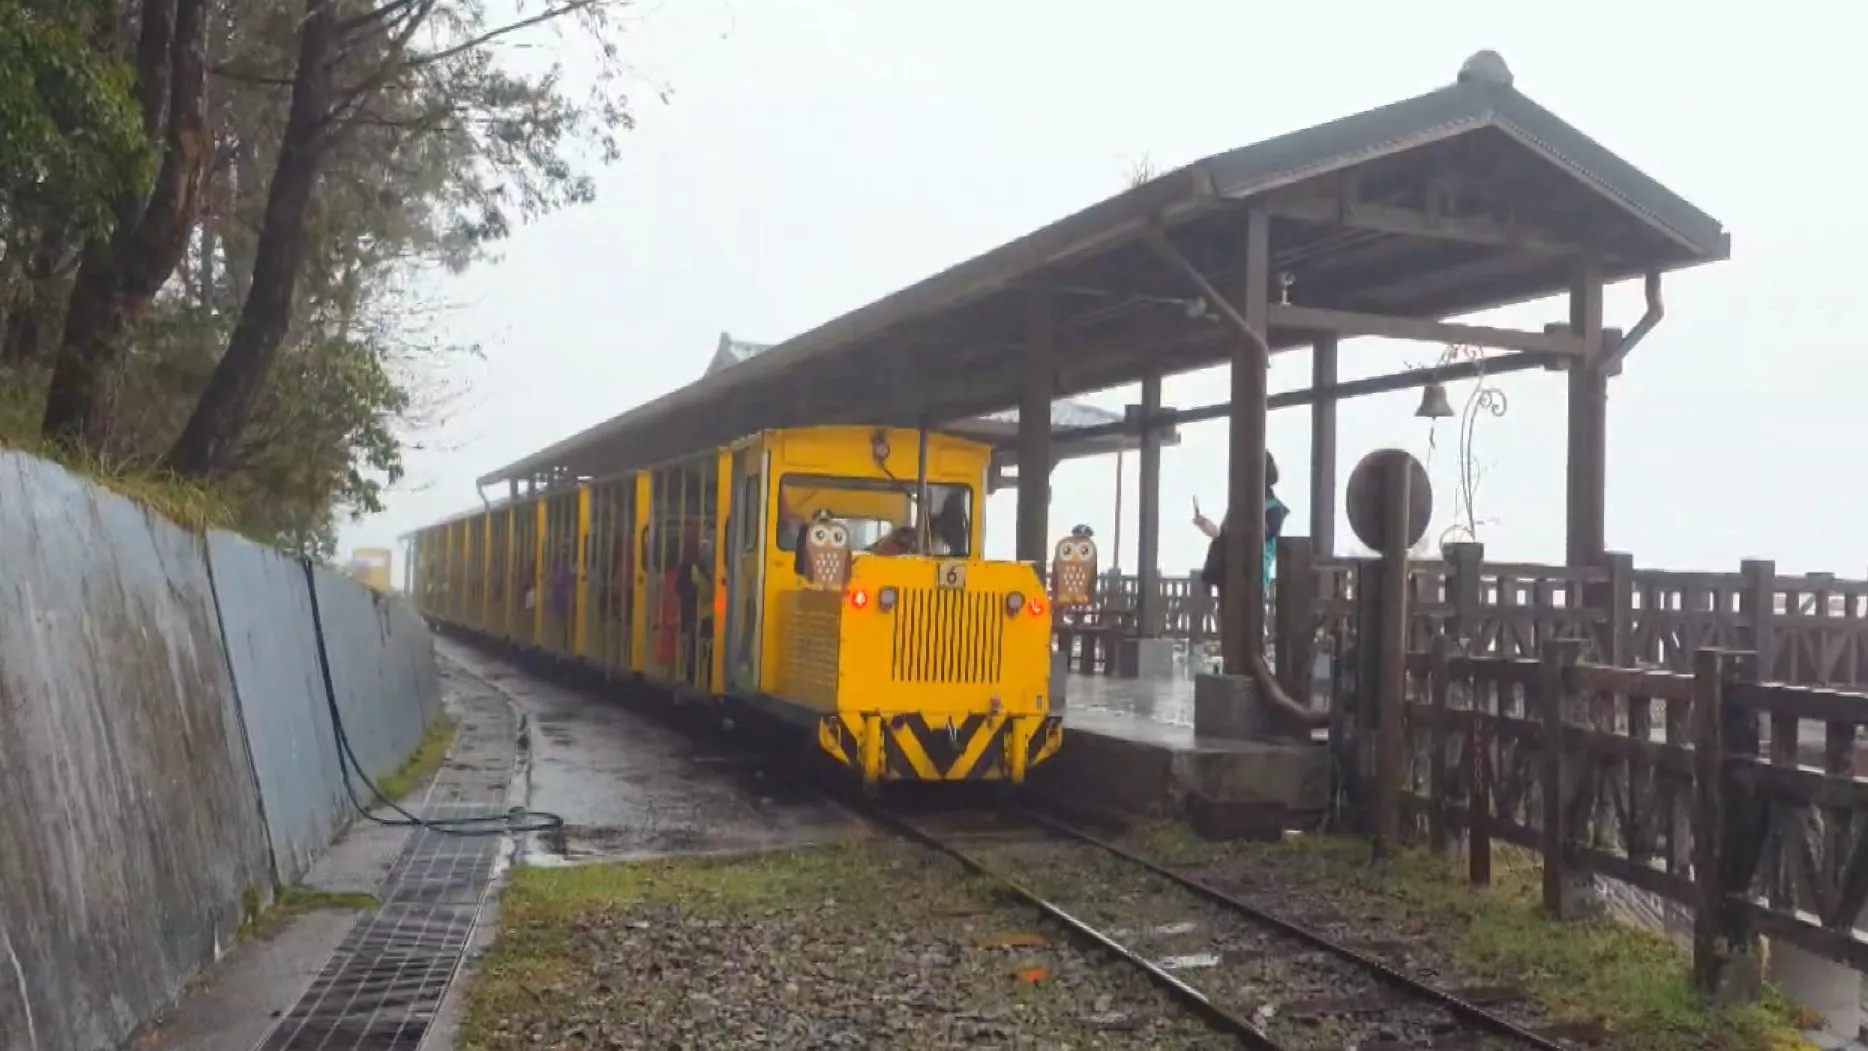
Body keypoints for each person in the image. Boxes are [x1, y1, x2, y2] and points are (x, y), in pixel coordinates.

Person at [1198, 451, 1290, 601]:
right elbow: (1225, 536)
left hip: (1254, 576)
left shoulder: (1275, 510)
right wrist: (1207, 526)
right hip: (1229, 574)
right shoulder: (1238, 507)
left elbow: (1257, 536)